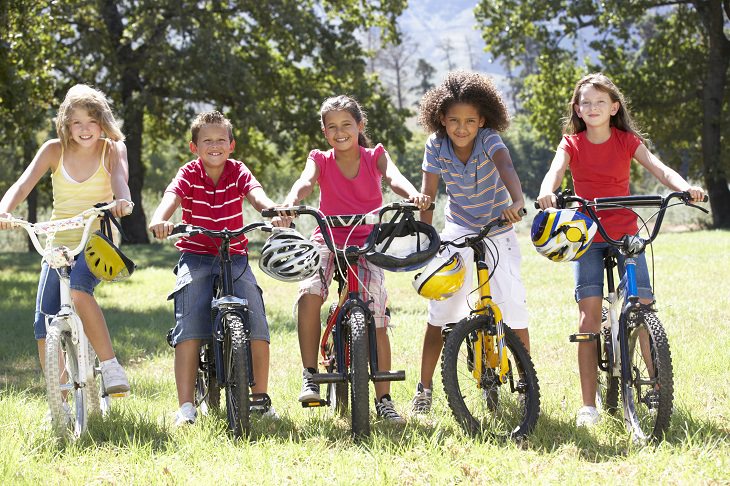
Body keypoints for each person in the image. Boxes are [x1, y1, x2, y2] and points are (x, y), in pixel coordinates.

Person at [535, 72, 705, 427]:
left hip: (627, 234)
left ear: (614, 107)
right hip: (587, 237)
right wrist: (547, 192)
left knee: (642, 307)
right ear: (578, 110)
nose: (593, 107)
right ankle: (588, 406)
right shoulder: (571, 143)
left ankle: (658, 386)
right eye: (586, 103)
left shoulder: (627, 141)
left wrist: (685, 187)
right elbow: (554, 172)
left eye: (600, 102)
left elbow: (659, 169)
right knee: (589, 319)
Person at [281, 95, 431, 423]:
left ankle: (384, 399)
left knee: (376, 315)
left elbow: (394, 177)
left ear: (359, 126)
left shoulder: (374, 155)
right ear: (324, 132)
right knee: (308, 294)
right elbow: (305, 182)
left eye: (346, 124)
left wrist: (412, 195)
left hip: (366, 241)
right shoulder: (320, 159)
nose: (340, 132)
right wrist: (292, 200)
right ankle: (310, 375)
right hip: (327, 238)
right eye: (332, 127)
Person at [149, 110, 282, 426]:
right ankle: (186, 408)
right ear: (194, 147)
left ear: (232, 144)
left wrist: (271, 211)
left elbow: (257, 195)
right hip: (195, 254)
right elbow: (171, 197)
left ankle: (260, 399)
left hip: (234, 255)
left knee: (256, 315)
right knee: (190, 320)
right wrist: (160, 219)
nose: (214, 145)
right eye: (206, 140)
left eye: (221, 139)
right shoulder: (188, 173)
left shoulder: (238, 171)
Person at [0, 84, 133, 396]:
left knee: (78, 289)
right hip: (58, 242)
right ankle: (58, 400)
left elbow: (119, 181)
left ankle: (111, 365)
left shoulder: (112, 149)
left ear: (102, 122)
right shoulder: (53, 150)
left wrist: (122, 202)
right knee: (43, 321)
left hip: (96, 239)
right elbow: (21, 186)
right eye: (77, 122)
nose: (85, 129)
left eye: (92, 121)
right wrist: (4, 212)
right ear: (65, 124)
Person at [412, 70, 529, 415]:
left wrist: (517, 200)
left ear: (482, 121)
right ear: (441, 120)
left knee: (513, 307)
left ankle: (526, 385)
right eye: (453, 121)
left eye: (469, 121)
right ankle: (425, 388)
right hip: (458, 228)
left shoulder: (489, 140)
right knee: (442, 309)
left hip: (498, 227)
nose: (461, 128)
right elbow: (429, 195)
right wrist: (426, 238)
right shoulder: (435, 146)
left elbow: (506, 166)